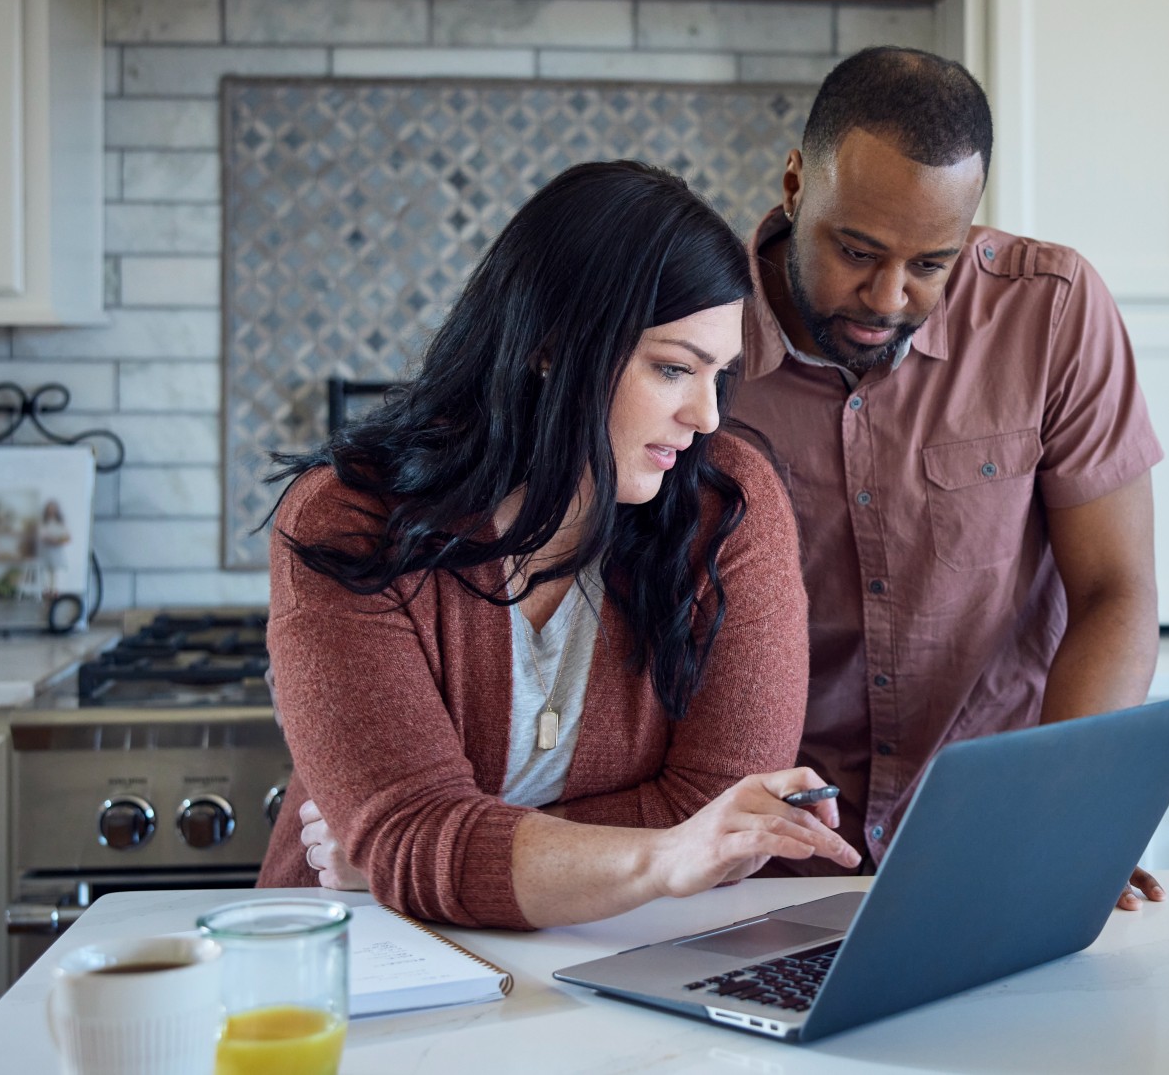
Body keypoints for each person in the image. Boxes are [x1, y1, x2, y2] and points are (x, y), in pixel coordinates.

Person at [259, 161, 859, 930]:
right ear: (550, 343)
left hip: (624, 952)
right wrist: (420, 844)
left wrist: (438, 849)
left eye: (720, 374)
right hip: (364, 961)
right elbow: (415, 834)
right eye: (674, 368)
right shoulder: (345, 522)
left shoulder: (729, 506)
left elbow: (721, 816)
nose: (708, 415)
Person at [732, 49, 1167, 907]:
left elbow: (1117, 589)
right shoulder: (699, 336)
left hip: (990, 848)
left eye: (931, 263)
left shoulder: (1052, 309)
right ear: (794, 184)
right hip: (760, 864)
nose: (889, 296)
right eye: (856, 250)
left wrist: (1068, 813)